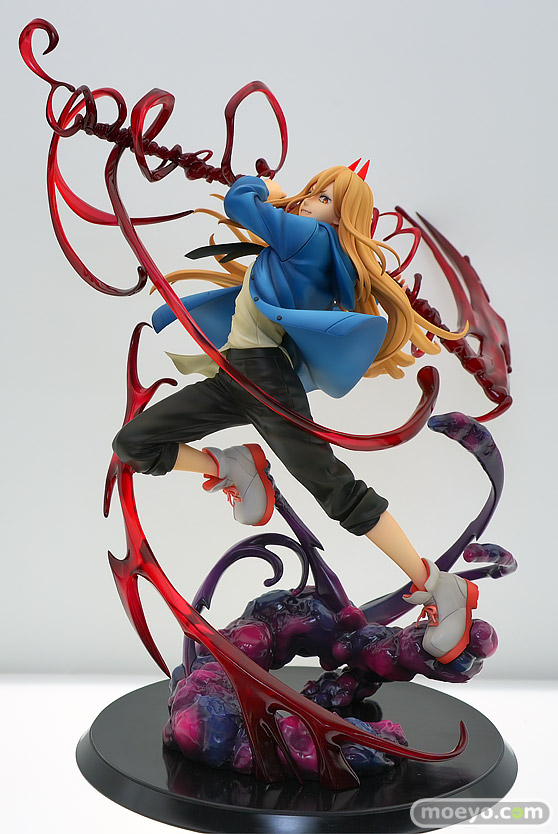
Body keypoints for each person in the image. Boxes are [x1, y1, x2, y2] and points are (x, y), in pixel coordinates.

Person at [112, 165, 479, 664]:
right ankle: (230, 465)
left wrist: (263, 188)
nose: (308, 202)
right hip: (234, 373)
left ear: (341, 218)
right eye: (311, 193)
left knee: (333, 487)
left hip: (265, 378)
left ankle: (437, 584)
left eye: (325, 199)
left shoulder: (312, 239)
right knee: (134, 443)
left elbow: (240, 204)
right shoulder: (303, 242)